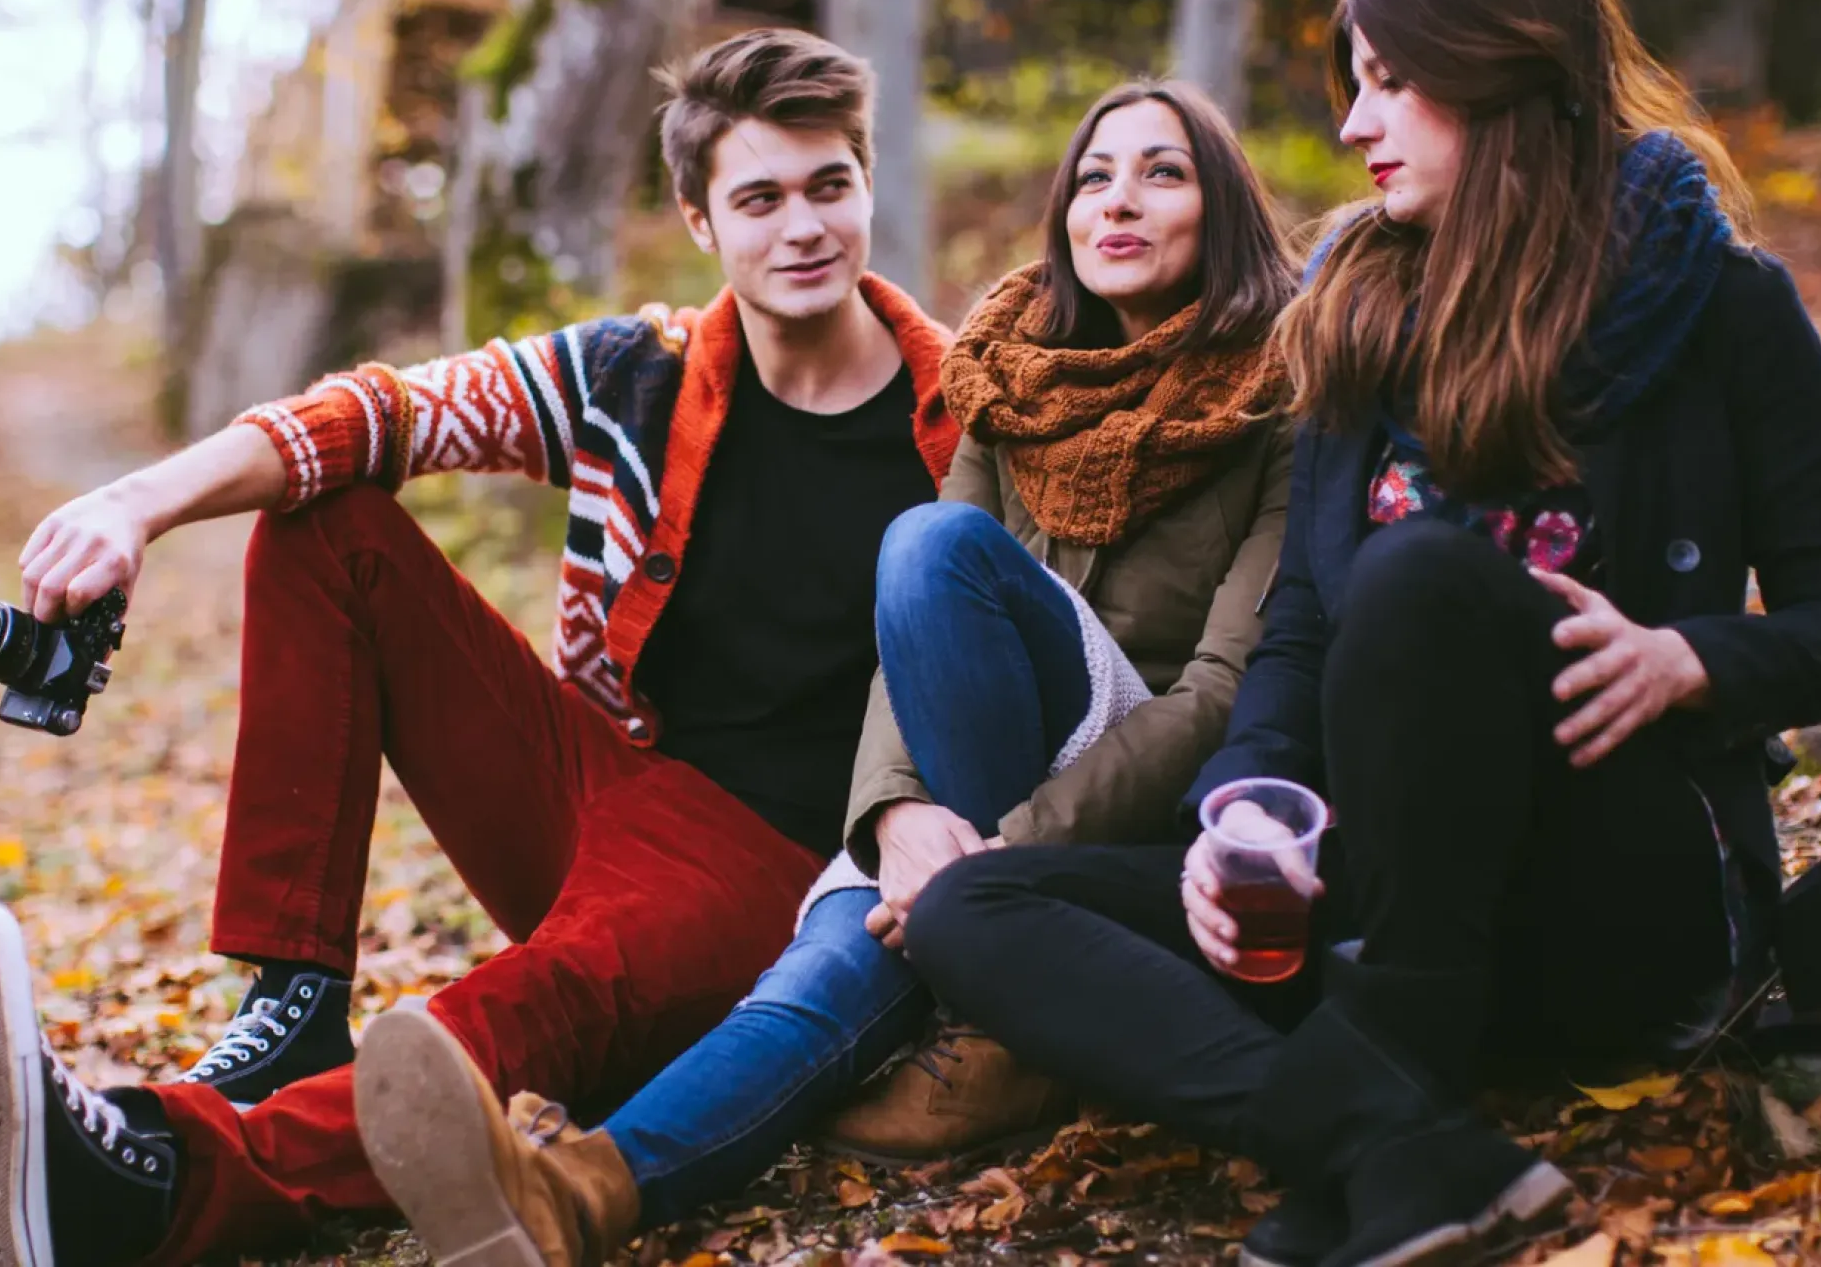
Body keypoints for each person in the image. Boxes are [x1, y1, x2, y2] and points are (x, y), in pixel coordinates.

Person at [897, 0, 1821, 1266]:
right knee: (977, 909)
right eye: (1350, 84)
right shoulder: (1358, 318)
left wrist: (1690, 660)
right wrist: (1245, 810)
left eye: (1388, 82)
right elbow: (1303, 624)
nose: (1352, 123)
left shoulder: (1729, 310)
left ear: (1503, 71)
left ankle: (1379, 1092)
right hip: (1369, 894)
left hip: (1622, 891)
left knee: (1422, 573)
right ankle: (1392, 1141)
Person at [0, 28, 968, 1267]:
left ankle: (160, 1180)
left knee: (525, 1004)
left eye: (826, 186)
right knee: (332, 528)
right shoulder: (639, 376)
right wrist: (130, 504)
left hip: (779, 870)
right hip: (603, 784)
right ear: (699, 221)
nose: (800, 227)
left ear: (862, 184)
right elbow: (378, 413)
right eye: (758, 198)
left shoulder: (968, 424)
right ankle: (295, 999)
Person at [344, 78, 1301, 1267]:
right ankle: (577, 1195)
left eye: (1164, 174)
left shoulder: (1284, 398)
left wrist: (1009, 850)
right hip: (968, 781)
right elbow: (913, 646)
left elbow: (1223, 686)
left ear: (1223, 213)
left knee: (931, 546)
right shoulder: (1009, 381)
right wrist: (896, 817)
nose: (1119, 200)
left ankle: (982, 1015)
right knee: (823, 964)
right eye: (1094, 176)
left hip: (1131, 796)